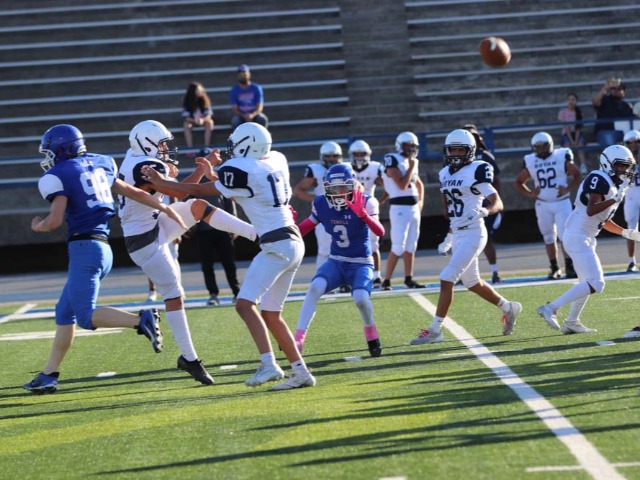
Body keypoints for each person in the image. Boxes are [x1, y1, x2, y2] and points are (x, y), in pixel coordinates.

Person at [141, 122, 316, 391]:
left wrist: (160, 182)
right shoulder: (276, 160)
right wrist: (214, 175)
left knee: (244, 305)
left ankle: (269, 364)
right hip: (292, 242)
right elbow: (241, 187)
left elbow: (195, 191)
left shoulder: (243, 170)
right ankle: (301, 372)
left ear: (248, 145)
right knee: (271, 314)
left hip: (276, 245)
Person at [23, 124, 187, 394]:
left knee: (85, 317)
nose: (48, 158)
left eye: (50, 152)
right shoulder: (101, 163)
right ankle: (49, 374)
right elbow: (135, 192)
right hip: (105, 247)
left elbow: (54, 220)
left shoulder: (59, 174)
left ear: (61, 150)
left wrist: (38, 225)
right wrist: (166, 209)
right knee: (64, 311)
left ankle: (141, 320)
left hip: (85, 248)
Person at [119, 120, 258, 386]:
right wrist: (202, 169)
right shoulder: (145, 166)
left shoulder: (134, 157)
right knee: (174, 295)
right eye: (161, 144)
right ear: (147, 144)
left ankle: (256, 234)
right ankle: (189, 358)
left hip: (152, 223)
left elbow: (178, 193)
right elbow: (177, 192)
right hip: (144, 241)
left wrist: (192, 171)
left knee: (198, 206)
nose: (165, 149)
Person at [410, 129, 522, 345]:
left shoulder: (476, 170)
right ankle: (508, 307)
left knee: (447, 277)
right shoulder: (444, 173)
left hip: (474, 232)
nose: (455, 154)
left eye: (460, 150)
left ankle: (435, 330)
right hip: (459, 233)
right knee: (472, 282)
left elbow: (498, 202)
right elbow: (454, 211)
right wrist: (449, 236)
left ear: (470, 151)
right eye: (452, 150)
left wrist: (484, 211)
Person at [538, 145, 636, 334]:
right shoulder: (599, 178)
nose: (624, 170)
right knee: (596, 282)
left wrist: (626, 232)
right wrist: (614, 200)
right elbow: (591, 209)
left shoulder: (613, 185)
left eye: (626, 166)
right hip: (577, 236)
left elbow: (603, 221)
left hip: (585, 236)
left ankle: (571, 322)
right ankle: (551, 308)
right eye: (620, 165)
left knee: (585, 283)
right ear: (608, 164)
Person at [294, 164, 386, 356]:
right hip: (336, 261)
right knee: (314, 288)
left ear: (352, 186)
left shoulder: (367, 201)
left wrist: (363, 215)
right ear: (327, 188)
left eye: (343, 188)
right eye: (334, 189)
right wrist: (289, 227)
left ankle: (371, 333)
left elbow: (380, 232)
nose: (338, 193)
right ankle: (298, 338)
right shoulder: (321, 203)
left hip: (361, 262)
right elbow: (305, 227)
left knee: (360, 298)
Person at [514, 132, 582, 279]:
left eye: (543, 147)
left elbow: (577, 175)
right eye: (537, 147)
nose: (540, 150)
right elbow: (519, 182)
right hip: (542, 204)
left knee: (565, 236)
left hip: (562, 202)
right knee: (548, 237)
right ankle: (554, 267)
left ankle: (570, 266)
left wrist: (567, 189)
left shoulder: (561, 155)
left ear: (550, 145)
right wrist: (530, 193)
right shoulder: (530, 160)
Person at [380, 131, 425, 290]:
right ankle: (386, 280)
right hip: (399, 208)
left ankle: (408, 279)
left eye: (413, 146)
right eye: (407, 145)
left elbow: (419, 184)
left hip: (413, 208)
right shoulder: (392, 159)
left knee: (411, 246)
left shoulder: (412, 162)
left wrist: (420, 202)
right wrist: (411, 166)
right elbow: (401, 185)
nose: (410, 149)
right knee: (398, 246)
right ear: (400, 145)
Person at [293, 141, 344, 270]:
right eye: (328, 156)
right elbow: (298, 190)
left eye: (334, 156)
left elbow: (358, 187)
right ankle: (322, 278)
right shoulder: (316, 170)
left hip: (344, 213)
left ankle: (344, 278)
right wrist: (317, 201)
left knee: (345, 250)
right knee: (324, 250)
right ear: (322, 157)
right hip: (324, 214)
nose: (331, 159)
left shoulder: (345, 168)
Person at [462, 124, 503, 284]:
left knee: (485, 238)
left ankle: (494, 271)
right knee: (463, 240)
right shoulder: (455, 158)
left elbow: (496, 180)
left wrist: (495, 202)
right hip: (464, 204)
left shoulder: (484, 156)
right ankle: (464, 272)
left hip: (482, 204)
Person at [193, 190, 241, 306]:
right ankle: (213, 294)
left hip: (223, 230)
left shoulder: (219, 182)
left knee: (229, 263)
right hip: (203, 231)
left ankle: (237, 292)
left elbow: (229, 203)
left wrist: (234, 225)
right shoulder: (195, 184)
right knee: (207, 265)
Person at [349, 139, 384, 287]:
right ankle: (350, 276)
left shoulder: (375, 167)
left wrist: (380, 201)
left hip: (369, 208)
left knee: (373, 244)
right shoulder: (346, 168)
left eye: (361, 154)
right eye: (356, 154)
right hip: (351, 209)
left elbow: (389, 186)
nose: (359, 157)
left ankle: (376, 276)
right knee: (351, 244)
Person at [592, 77, 634, 147]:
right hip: (606, 131)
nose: (616, 91)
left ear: (623, 92)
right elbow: (595, 102)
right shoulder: (605, 100)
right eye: (614, 89)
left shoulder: (627, 106)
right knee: (611, 146)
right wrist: (605, 88)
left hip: (623, 132)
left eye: (619, 89)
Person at [622, 130, 640, 272]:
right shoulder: (623, 157)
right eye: (630, 143)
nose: (633, 145)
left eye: (636, 142)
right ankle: (631, 261)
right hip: (631, 195)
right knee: (631, 229)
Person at [229, 64, 268, 130]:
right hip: (241, 116)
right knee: (235, 120)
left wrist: (252, 115)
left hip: (254, 115)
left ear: (249, 74)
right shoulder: (234, 90)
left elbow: (259, 107)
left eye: (245, 74)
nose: (243, 76)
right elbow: (234, 109)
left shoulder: (256, 88)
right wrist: (244, 116)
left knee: (262, 119)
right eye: (241, 74)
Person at [558, 93, 588, 175]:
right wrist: (572, 140)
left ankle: (583, 166)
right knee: (567, 146)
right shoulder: (562, 112)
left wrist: (576, 140)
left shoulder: (579, 113)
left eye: (573, 100)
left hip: (577, 133)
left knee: (580, 144)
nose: (571, 102)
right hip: (566, 134)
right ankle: (569, 167)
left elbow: (578, 128)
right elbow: (566, 127)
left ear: (576, 101)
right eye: (569, 100)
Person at [182, 81, 215, 149]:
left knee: (210, 123)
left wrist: (202, 119)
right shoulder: (187, 101)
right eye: (198, 90)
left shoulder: (205, 100)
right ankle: (190, 148)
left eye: (200, 89)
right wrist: (194, 120)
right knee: (186, 125)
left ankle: (206, 147)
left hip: (203, 121)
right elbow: (186, 116)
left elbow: (209, 114)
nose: (200, 91)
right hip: (192, 121)